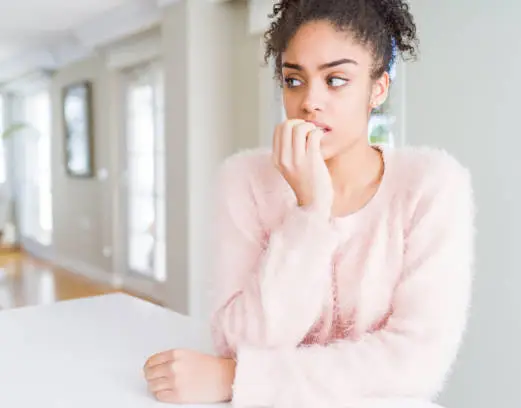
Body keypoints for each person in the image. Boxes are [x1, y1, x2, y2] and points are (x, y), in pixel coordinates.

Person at [143, 0, 475, 407]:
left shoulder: (431, 184)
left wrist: (239, 380)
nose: (309, 102)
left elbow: (417, 362)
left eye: (336, 80)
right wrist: (310, 213)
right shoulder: (244, 180)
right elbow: (239, 342)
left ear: (379, 88)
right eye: (293, 80)